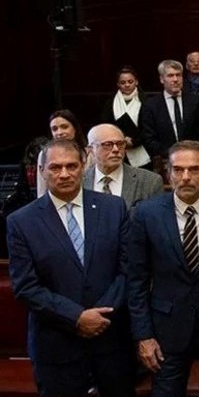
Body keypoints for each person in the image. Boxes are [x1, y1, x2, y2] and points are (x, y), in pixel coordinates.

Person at [6, 139, 134, 397]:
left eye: (71, 166)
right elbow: (26, 287)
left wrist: (101, 316)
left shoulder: (113, 207)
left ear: (84, 165)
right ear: (41, 171)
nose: (64, 174)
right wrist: (77, 317)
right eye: (55, 168)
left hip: (111, 343)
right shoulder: (21, 221)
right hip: (56, 347)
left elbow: (128, 269)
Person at [124, 141, 199, 397]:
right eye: (178, 170)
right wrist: (143, 335)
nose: (185, 177)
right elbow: (136, 280)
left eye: (194, 169)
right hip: (167, 328)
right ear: (168, 173)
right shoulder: (146, 213)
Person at [83, 123, 165, 211]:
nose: (115, 150)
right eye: (107, 144)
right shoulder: (80, 181)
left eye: (120, 144)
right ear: (91, 150)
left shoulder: (150, 182)